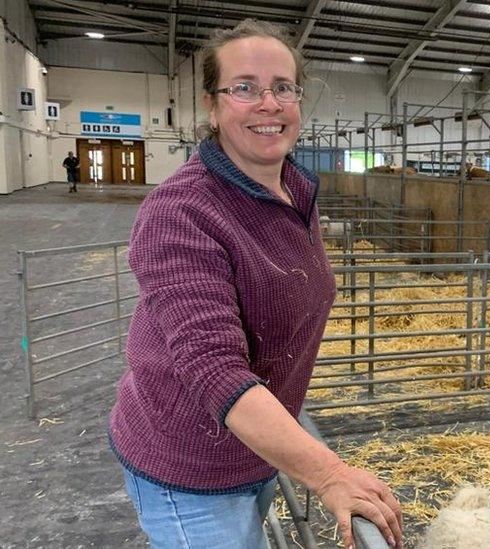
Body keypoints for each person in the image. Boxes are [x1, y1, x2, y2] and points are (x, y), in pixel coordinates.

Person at [107, 19, 402, 549]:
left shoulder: (294, 187)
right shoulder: (181, 213)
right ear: (212, 104)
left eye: (282, 88)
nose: (269, 103)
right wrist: (330, 473)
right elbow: (214, 369)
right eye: (244, 88)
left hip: (260, 449)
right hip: (191, 468)